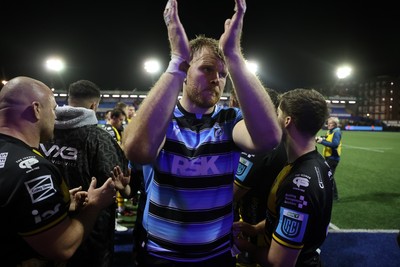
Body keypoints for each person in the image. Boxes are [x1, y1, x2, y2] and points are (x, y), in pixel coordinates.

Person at [122, 0, 282, 265]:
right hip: (162, 256)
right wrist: (175, 62)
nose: (216, 79)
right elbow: (138, 151)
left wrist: (235, 57)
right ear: (185, 73)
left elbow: (269, 139)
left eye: (222, 73)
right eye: (207, 68)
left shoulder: (231, 119)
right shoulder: (165, 119)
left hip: (217, 255)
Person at [0, 76, 117, 266]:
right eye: (53, 109)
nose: (55, 116)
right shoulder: (32, 169)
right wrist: (94, 204)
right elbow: (62, 247)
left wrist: (61, 205)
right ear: (37, 109)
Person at [233, 88, 333, 267]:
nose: (272, 119)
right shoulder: (316, 163)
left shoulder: (298, 185)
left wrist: (245, 246)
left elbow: (280, 263)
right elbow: (283, 217)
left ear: (287, 121)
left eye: (277, 113)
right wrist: (256, 229)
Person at [39, 79, 130, 267]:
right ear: (93, 105)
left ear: (68, 99)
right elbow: (113, 183)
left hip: (44, 223)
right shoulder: (100, 138)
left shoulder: (41, 132)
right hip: (90, 231)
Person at [231, 88, 287, 266]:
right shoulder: (279, 138)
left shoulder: (259, 143)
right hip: (269, 223)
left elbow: (232, 193)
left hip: (259, 227)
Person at [316, 116, 342, 200]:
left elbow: (335, 144)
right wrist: (320, 138)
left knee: (328, 177)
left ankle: (333, 196)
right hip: (328, 157)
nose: (328, 125)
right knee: (328, 176)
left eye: (330, 123)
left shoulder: (337, 132)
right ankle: (333, 196)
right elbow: (327, 138)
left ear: (335, 124)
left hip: (333, 158)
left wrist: (322, 141)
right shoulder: (330, 131)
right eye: (328, 123)